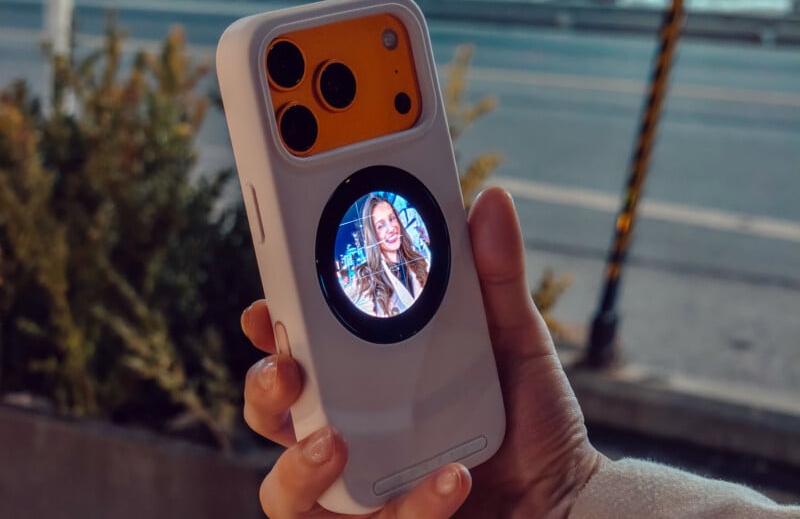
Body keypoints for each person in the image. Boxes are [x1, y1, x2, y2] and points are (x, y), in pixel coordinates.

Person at [240, 188, 800, 518]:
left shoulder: (421, 265)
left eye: (393, 219)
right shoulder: (363, 288)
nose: (389, 229)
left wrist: (565, 496)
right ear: (364, 230)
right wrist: (566, 497)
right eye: (378, 223)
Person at [348, 195, 429, 317]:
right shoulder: (364, 279)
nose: (390, 228)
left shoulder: (418, 260)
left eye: (392, 219)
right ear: (372, 235)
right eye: (380, 226)